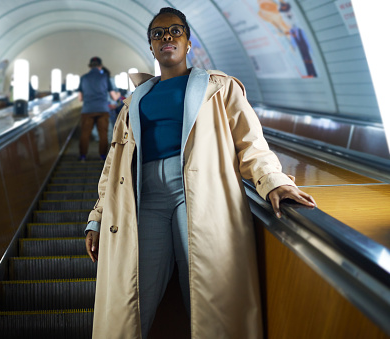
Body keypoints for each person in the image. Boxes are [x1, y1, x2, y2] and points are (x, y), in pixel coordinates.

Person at [84, 7, 316, 339]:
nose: (167, 38)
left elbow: (250, 143)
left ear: (189, 42)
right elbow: (114, 165)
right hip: (143, 199)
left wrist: (272, 181)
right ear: (151, 47)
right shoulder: (134, 101)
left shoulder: (219, 88)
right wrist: (97, 216)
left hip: (197, 193)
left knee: (208, 290)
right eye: (158, 34)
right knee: (133, 295)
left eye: (175, 31)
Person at [77, 56, 120, 161]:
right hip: (102, 109)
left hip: (87, 110)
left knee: (85, 134)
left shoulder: (83, 78)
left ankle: (83, 156)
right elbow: (114, 96)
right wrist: (119, 95)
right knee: (103, 134)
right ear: (100, 66)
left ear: (90, 66)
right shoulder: (105, 77)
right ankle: (102, 156)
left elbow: (80, 98)